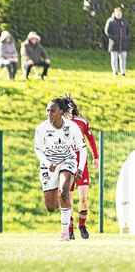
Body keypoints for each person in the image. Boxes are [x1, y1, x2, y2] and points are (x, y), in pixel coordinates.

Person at [34, 98, 87, 241]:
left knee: (64, 192)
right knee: (51, 206)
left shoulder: (72, 127)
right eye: (47, 110)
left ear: (61, 112)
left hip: (67, 160)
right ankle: (59, 197)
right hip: (48, 165)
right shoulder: (41, 128)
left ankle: (65, 233)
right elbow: (38, 150)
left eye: (52, 110)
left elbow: (82, 149)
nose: (48, 113)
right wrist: (47, 162)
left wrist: (80, 169)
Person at [60, 95, 99, 240]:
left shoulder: (81, 122)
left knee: (83, 197)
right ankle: (69, 230)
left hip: (82, 165)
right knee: (67, 198)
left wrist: (96, 156)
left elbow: (91, 139)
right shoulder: (60, 124)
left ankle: (82, 225)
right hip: (67, 165)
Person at [104, 7, 130, 76]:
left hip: (123, 44)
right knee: (114, 59)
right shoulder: (110, 21)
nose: (119, 15)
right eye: (117, 13)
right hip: (114, 44)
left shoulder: (125, 22)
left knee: (123, 59)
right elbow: (107, 31)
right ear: (114, 13)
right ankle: (115, 72)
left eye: (120, 13)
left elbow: (128, 31)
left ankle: (123, 72)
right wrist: (113, 38)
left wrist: (126, 38)